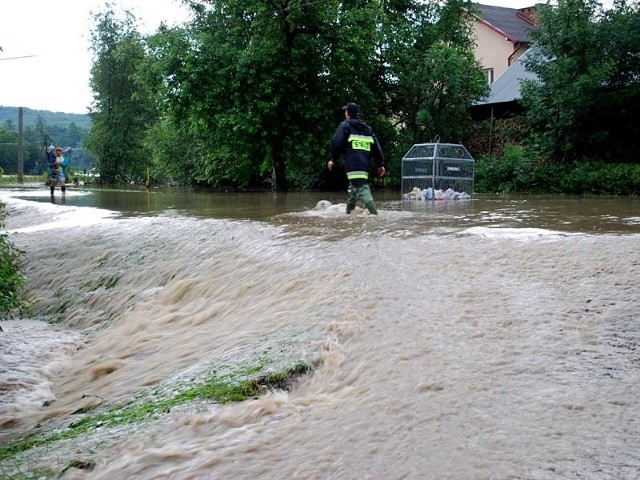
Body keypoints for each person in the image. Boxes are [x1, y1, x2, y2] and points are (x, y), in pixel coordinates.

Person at [328, 102, 385, 214]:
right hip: (364, 165)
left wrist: (332, 159)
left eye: (345, 111)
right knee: (353, 189)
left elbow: (336, 143)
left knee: (362, 188)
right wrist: (380, 164)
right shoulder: (367, 129)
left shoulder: (345, 125)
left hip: (352, 165)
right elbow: (376, 147)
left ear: (348, 113)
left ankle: (375, 215)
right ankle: (348, 214)